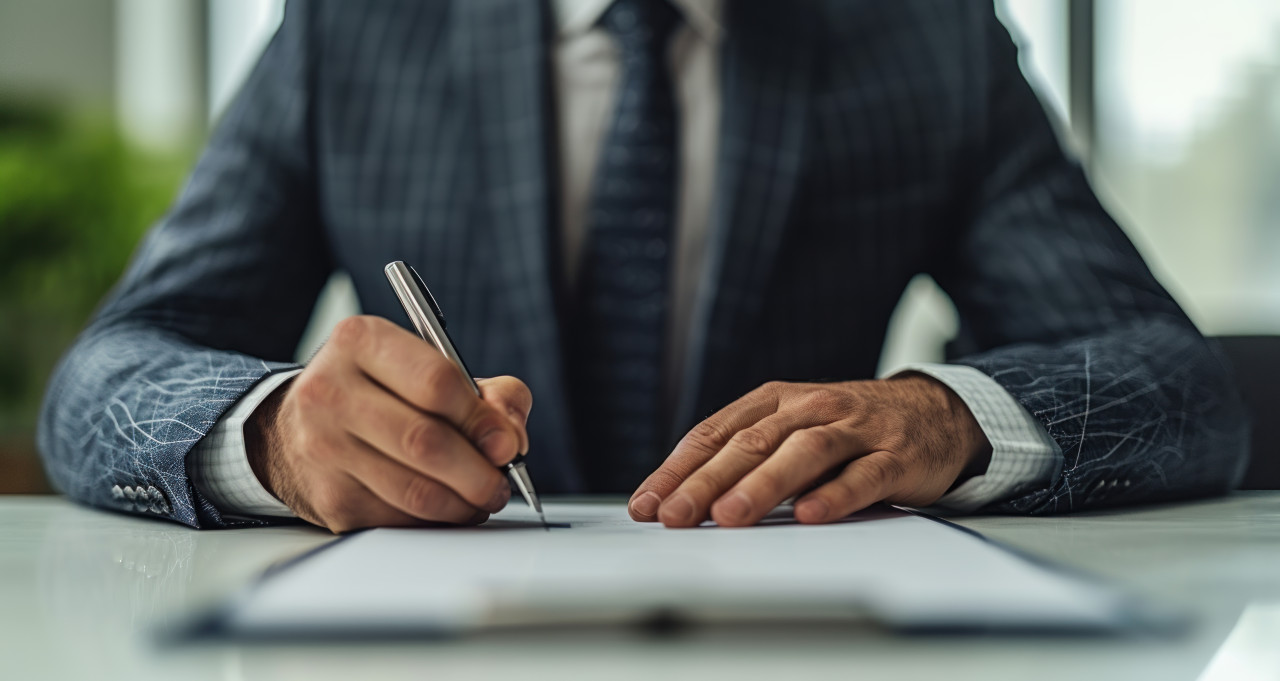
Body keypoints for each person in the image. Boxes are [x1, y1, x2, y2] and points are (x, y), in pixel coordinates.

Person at [39, 0, 1249, 532]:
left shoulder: (923, 34)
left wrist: (948, 418)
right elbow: (103, 379)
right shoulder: (350, 29)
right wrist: (273, 439)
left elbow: (1177, 380)